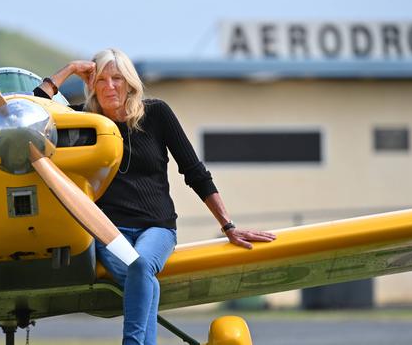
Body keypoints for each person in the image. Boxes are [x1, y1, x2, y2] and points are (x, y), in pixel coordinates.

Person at [34, 48, 276, 345]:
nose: (110, 86)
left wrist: (228, 226)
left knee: (140, 266)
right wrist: (70, 68)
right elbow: (33, 117)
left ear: (131, 83)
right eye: (102, 80)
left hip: (157, 227)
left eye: (118, 79)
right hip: (108, 232)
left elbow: (195, 171)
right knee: (144, 278)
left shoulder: (157, 113)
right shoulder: (82, 121)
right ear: (92, 85)